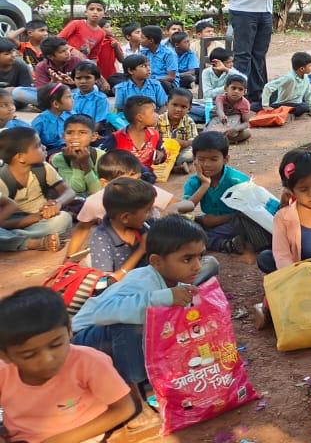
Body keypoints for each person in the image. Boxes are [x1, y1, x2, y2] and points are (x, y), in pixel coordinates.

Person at [71, 215, 207, 410]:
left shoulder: (178, 282)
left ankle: (148, 377)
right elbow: (102, 314)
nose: (198, 266)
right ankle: (136, 391)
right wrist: (165, 297)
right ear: (157, 262)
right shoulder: (142, 280)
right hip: (85, 342)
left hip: (116, 346)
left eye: (200, 256)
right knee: (131, 324)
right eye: (187, 259)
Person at [0, 287, 137, 443]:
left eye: (56, 345)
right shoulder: (3, 373)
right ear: (4, 355)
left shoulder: (89, 362)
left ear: (70, 331)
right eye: (29, 355)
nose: (47, 359)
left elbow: (124, 408)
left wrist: (60, 440)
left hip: (83, 436)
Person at [184, 130, 270, 254]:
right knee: (183, 225)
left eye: (214, 159)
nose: (207, 164)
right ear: (194, 159)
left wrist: (218, 220)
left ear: (225, 159)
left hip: (234, 221)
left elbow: (253, 210)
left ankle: (223, 244)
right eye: (201, 159)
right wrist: (204, 185)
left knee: (243, 223)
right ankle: (229, 244)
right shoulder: (194, 182)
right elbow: (185, 209)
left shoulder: (237, 181)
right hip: (211, 222)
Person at [0, 127, 74, 252]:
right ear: (21, 157)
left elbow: (69, 192)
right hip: (12, 223)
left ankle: (15, 241)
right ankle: (32, 242)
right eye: (38, 145)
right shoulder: (2, 178)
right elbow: (2, 222)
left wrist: (57, 204)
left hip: (40, 221)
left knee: (64, 218)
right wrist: (29, 220)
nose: (44, 147)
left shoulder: (43, 168)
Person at [262, 51, 311, 117]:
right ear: (302, 69)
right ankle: (284, 114)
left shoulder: (306, 78)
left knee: (305, 106)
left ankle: (285, 114)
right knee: (304, 106)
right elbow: (268, 87)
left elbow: (309, 94)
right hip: (282, 104)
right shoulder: (289, 78)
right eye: (310, 65)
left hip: (296, 105)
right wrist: (265, 105)